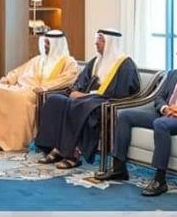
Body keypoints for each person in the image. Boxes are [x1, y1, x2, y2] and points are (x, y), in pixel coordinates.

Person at [96, 35, 177, 196]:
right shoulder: (174, 73)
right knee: (125, 115)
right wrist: (164, 108)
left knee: (161, 124)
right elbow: (159, 96)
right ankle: (119, 168)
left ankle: (160, 180)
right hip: (164, 114)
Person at [34, 28, 140, 169]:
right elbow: (82, 81)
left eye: (101, 40)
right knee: (56, 100)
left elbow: (121, 92)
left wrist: (87, 96)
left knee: (81, 105)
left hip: (106, 102)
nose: (96, 43)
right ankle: (54, 147)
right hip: (89, 98)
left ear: (111, 43)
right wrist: (75, 91)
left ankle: (73, 154)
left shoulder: (125, 64)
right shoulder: (96, 61)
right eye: (97, 40)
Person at [0, 30, 79, 151]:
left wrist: (45, 87)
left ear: (57, 44)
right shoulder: (39, 59)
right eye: (45, 42)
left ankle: (14, 141)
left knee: (20, 98)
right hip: (23, 88)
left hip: (37, 93)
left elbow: (66, 80)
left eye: (48, 43)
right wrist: (8, 79)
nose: (45, 46)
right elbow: (18, 71)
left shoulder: (69, 62)